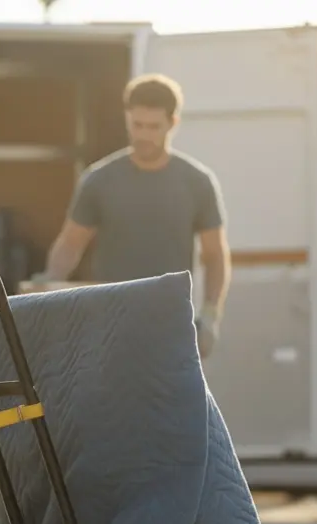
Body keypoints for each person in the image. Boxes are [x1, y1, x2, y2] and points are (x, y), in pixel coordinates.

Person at [38, 73, 232, 358]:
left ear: (172, 124)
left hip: (172, 324)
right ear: (127, 118)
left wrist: (211, 314)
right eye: (137, 125)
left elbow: (215, 256)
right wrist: (48, 284)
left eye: (153, 127)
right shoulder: (99, 180)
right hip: (109, 324)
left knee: (170, 402)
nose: (143, 135)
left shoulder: (196, 182)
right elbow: (70, 243)